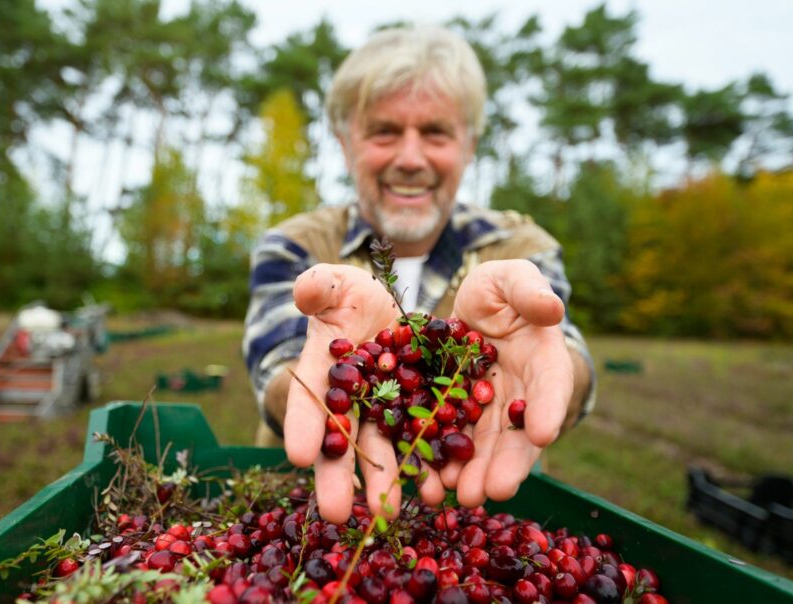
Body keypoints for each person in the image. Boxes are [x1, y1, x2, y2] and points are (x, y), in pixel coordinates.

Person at [242, 24, 595, 524]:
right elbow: (276, 363)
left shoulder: (521, 246)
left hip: (483, 516)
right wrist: (308, 392)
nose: (410, 159)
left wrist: (554, 370)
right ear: (345, 143)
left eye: (435, 133)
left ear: (469, 145)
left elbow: (568, 356)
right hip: (310, 519)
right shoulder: (296, 245)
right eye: (384, 131)